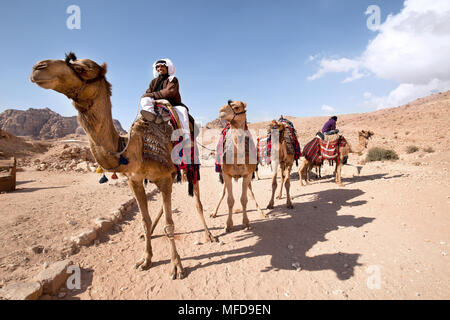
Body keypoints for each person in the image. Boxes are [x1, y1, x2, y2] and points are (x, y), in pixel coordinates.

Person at [140, 58, 190, 139]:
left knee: (182, 112)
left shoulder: (172, 79)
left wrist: (151, 94)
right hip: (157, 103)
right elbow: (148, 92)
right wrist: (146, 95)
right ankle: (153, 116)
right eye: (158, 67)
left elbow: (169, 92)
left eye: (162, 66)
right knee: (144, 99)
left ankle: (186, 137)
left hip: (172, 104)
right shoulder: (153, 82)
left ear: (167, 68)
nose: (160, 68)